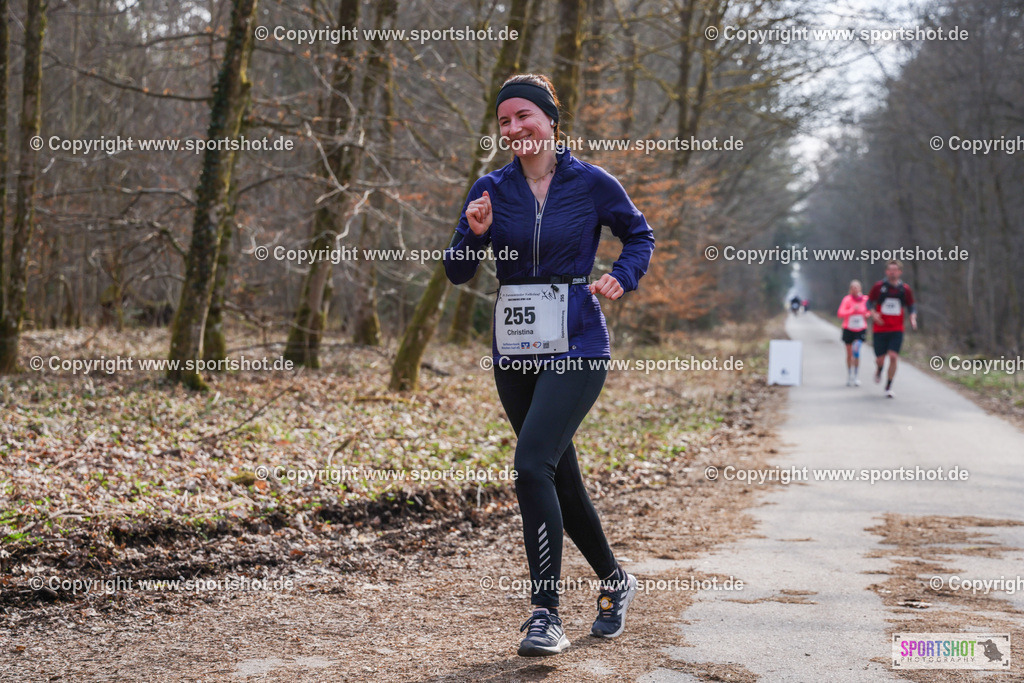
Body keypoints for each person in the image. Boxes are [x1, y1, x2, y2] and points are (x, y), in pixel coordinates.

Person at [443, 74, 654, 657]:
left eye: (524, 117)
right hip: (514, 350)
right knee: (557, 474)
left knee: (530, 463)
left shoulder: (590, 183)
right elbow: (458, 271)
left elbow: (639, 235)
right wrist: (473, 232)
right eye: (505, 121)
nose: (514, 129)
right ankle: (614, 580)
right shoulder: (491, 188)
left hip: (578, 343)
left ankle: (545, 613)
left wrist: (622, 274)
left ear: (550, 120)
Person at [866, 260, 917, 398]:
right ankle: (879, 369)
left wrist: (913, 317)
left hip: (896, 329)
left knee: (893, 357)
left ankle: (888, 385)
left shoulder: (904, 289)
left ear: (900, 272)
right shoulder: (879, 287)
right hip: (880, 329)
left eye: (895, 270)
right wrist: (873, 313)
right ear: (886, 272)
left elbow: (911, 305)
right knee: (880, 359)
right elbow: (868, 302)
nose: (892, 272)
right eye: (890, 270)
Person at [837, 280, 869, 386]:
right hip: (848, 328)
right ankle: (849, 374)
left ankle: (856, 376)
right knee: (849, 353)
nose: (855, 289)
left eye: (857, 287)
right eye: (853, 287)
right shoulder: (847, 300)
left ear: (860, 288)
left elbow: (869, 311)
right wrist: (852, 310)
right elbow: (840, 313)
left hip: (860, 328)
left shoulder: (865, 299)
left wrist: (864, 313)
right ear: (850, 289)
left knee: (856, 350)